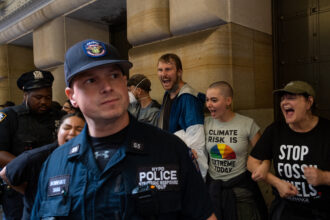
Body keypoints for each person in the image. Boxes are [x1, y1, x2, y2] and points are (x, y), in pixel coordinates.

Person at [31, 39, 216, 219]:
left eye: (114, 76)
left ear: (124, 82)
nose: (107, 87)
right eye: (91, 80)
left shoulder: (170, 150)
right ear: (71, 96)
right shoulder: (55, 164)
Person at [247, 81, 330, 220]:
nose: (284, 102)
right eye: (283, 98)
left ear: (309, 102)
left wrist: (324, 177)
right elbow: (252, 163)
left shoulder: (327, 131)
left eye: (291, 98)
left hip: (322, 211)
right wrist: (277, 183)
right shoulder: (275, 130)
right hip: (286, 211)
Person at [0, 70, 64, 220]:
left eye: (48, 97)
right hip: (19, 187)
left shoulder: (58, 116)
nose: (44, 102)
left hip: (53, 186)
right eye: (38, 97)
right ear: (25, 95)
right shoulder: (9, 117)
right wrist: (29, 169)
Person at [0, 112, 85, 220]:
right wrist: (32, 192)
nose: (72, 133)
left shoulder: (86, 156)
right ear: (58, 131)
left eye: (79, 129)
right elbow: (5, 174)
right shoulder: (37, 157)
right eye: (67, 127)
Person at [204, 81, 267, 220]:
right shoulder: (205, 124)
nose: (209, 104)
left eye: (214, 100)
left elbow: (263, 153)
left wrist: (263, 167)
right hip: (213, 188)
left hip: (240, 188)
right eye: (207, 100)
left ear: (228, 101)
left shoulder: (247, 124)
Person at [157, 53, 208, 179]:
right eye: (160, 70)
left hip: (184, 173)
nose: (163, 74)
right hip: (170, 165)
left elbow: (197, 144)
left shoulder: (188, 99)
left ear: (179, 72)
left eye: (168, 69)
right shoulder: (167, 95)